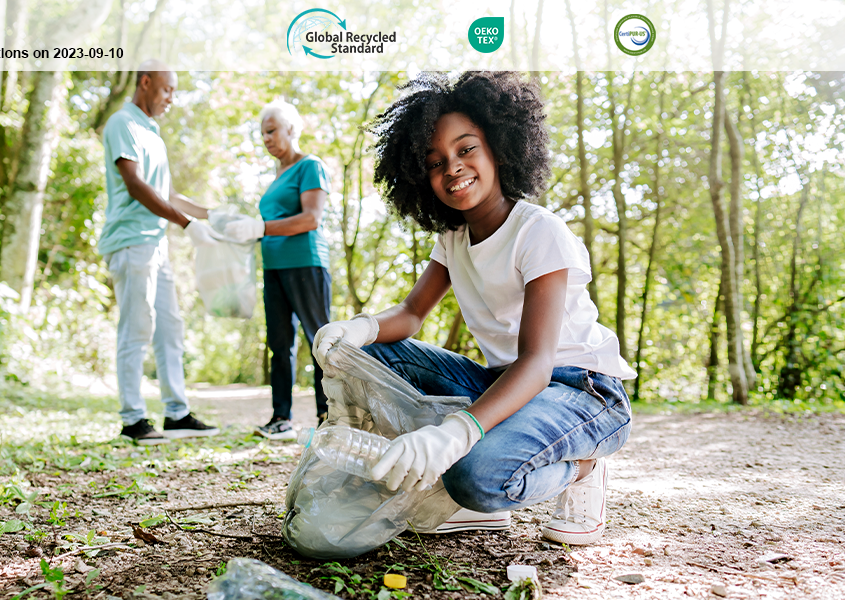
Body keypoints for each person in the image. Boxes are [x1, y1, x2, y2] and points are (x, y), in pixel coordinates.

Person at [312, 72, 635, 546]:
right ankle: (461, 477)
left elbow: (538, 363)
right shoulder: (453, 238)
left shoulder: (537, 232)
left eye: (466, 149)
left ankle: (581, 468)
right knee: (375, 354)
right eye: (436, 161)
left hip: (582, 391)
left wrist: (456, 433)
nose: (453, 168)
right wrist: (356, 329)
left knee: (475, 476)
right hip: (505, 381)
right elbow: (410, 313)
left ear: (501, 147)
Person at [100, 60, 221, 446]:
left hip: (156, 245)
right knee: (137, 328)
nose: (172, 98)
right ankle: (133, 419)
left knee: (170, 327)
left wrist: (210, 214)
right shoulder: (124, 123)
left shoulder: (153, 132)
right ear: (146, 82)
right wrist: (187, 225)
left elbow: (166, 194)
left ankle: (176, 413)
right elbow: (136, 185)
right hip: (132, 241)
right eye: (167, 89)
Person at [222, 101, 333, 440]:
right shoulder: (275, 177)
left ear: (290, 130)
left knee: (320, 342)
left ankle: (329, 417)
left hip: (306, 264)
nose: (266, 139)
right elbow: (265, 224)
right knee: (279, 343)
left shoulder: (309, 166)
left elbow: (311, 218)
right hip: (274, 269)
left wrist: (262, 228)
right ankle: (280, 419)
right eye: (262, 134)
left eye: (271, 131)